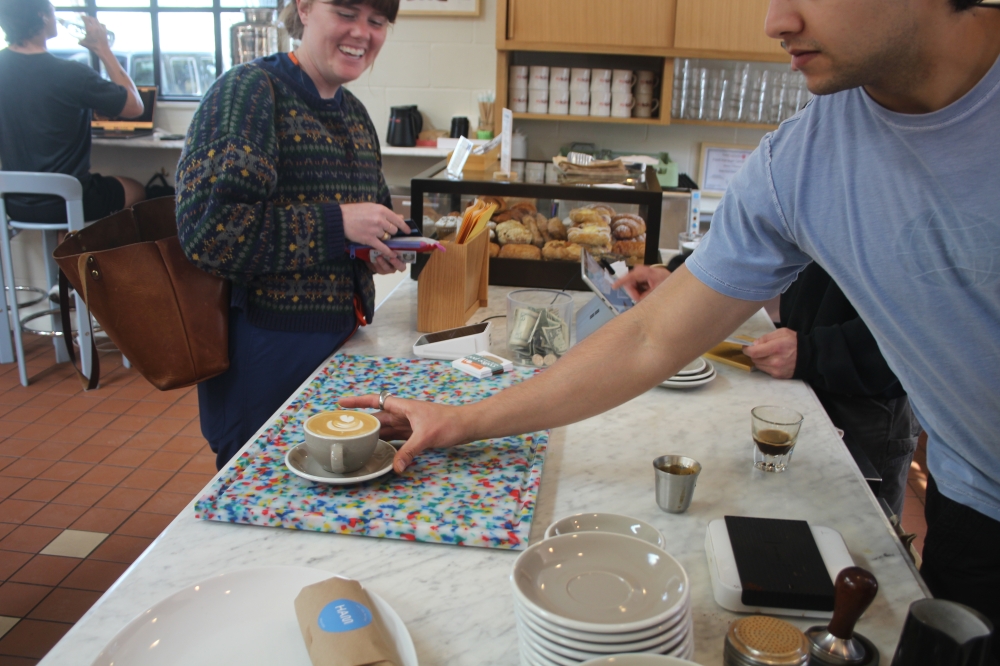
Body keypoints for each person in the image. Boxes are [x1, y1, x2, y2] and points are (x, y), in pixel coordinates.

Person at [341, 0, 1000, 655]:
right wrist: (461, 420)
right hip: (969, 508)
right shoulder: (806, 157)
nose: (775, 22)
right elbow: (648, 336)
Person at [175, 0, 408, 470]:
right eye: (346, 12)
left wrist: (374, 249)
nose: (362, 32)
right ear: (303, 7)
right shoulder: (249, 93)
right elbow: (210, 233)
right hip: (262, 356)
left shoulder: (357, 117)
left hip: (341, 350)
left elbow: (351, 230)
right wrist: (337, 223)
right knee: (257, 493)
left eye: (377, 21)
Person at [621, 260, 921, 518]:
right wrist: (684, 278)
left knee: (863, 535)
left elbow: (921, 327)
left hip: (867, 398)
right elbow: (754, 239)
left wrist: (817, 353)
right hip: (799, 365)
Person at [0, 0, 146, 223]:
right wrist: (103, 49)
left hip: (13, 203)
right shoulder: (70, 74)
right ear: (43, 17)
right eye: (52, 9)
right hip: (68, 201)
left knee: (67, 199)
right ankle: (80, 252)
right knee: (137, 190)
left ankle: (65, 244)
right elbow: (135, 106)